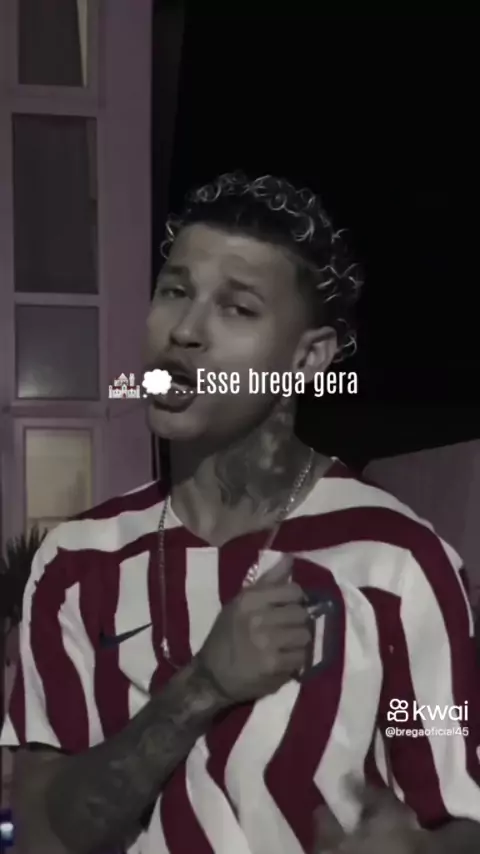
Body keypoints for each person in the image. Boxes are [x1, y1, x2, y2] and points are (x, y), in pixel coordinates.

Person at [2, 172, 480, 854]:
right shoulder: (76, 563)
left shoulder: (399, 561)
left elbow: (459, 814)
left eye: (237, 308)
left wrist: (419, 852)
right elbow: (44, 837)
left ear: (307, 358)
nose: (185, 331)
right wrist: (202, 686)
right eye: (175, 291)